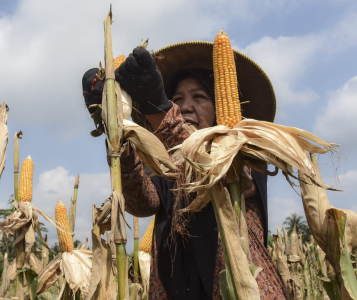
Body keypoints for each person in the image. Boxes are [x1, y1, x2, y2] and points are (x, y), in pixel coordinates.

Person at [82, 42, 285, 300]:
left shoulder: (243, 152)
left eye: (199, 97)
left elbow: (208, 170)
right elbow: (143, 202)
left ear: (220, 107)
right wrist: (117, 132)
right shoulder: (166, 163)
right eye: (176, 100)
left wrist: (159, 109)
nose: (186, 107)